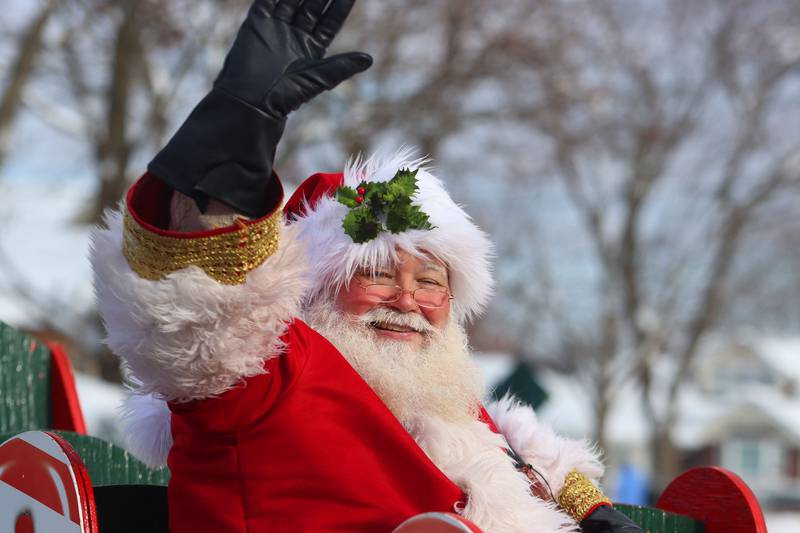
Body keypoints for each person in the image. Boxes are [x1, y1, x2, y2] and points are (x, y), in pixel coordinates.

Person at [91, 1, 642, 531]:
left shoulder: (454, 408)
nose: (407, 301)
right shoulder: (266, 377)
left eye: (430, 281)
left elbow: (528, 460)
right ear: (318, 287)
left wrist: (593, 512)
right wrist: (227, 146)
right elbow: (203, 309)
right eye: (377, 274)